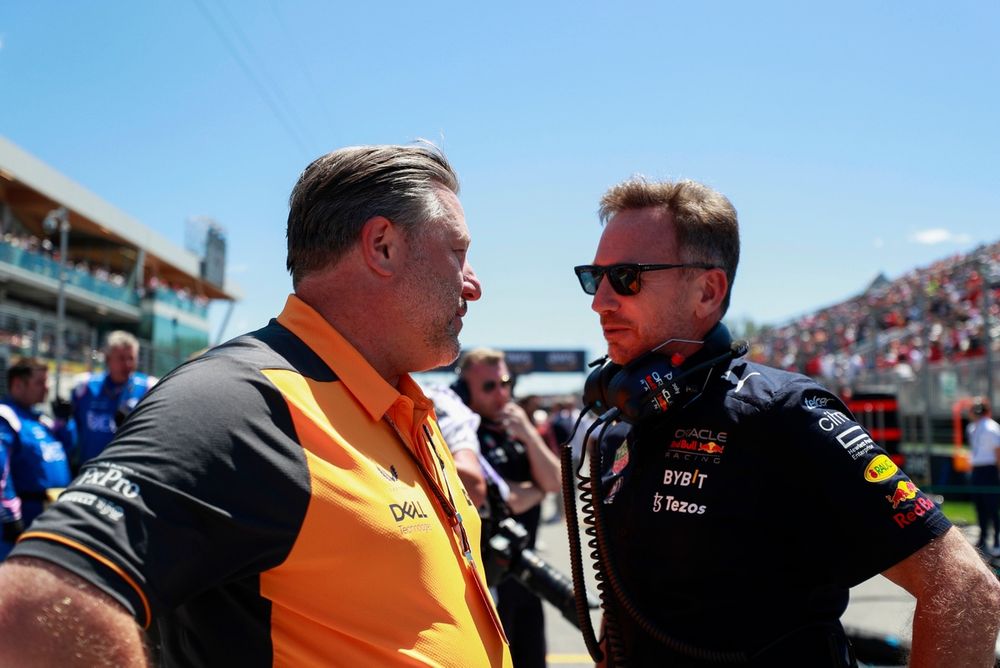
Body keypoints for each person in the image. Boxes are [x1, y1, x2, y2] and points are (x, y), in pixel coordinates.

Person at [0, 143, 511, 667]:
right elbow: (33, 605)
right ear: (381, 246)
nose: (473, 284)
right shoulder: (241, 402)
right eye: (457, 252)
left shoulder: (401, 404)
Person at [573, 177, 1000, 666]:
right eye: (593, 277)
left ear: (708, 291)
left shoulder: (783, 413)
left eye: (626, 277)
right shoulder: (620, 428)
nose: (599, 301)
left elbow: (965, 587)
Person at [455, 348, 561, 668]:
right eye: (488, 386)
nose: (501, 393)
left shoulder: (518, 429)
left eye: (505, 382)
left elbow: (556, 481)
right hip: (491, 578)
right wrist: (537, 489)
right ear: (465, 391)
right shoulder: (464, 434)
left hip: (526, 574)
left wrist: (529, 435)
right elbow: (506, 500)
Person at [0, 357, 73, 558]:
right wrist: (9, 515)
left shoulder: (40, 419)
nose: (47, 387)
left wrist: (64, 423)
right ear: (18, 384)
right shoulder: (5, 417)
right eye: (40, 382)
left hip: (50, 517)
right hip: (22, 521)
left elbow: (67, 450)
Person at [70, 330, 156, 468]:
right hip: (89, 470)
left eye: (131, 358)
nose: (127, 364)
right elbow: (72, 431)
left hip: (128, 473)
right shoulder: (84, 387)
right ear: (108, 358)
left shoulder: (149, 388)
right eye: (121, 358)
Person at [968, 397, 1000, 555]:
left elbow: (997, 451)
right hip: (977, 469)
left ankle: (997, 539)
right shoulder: (972, 428)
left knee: (992, 506)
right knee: (980, 505)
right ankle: (983, 538)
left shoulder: (991, 427)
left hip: (989, 469)